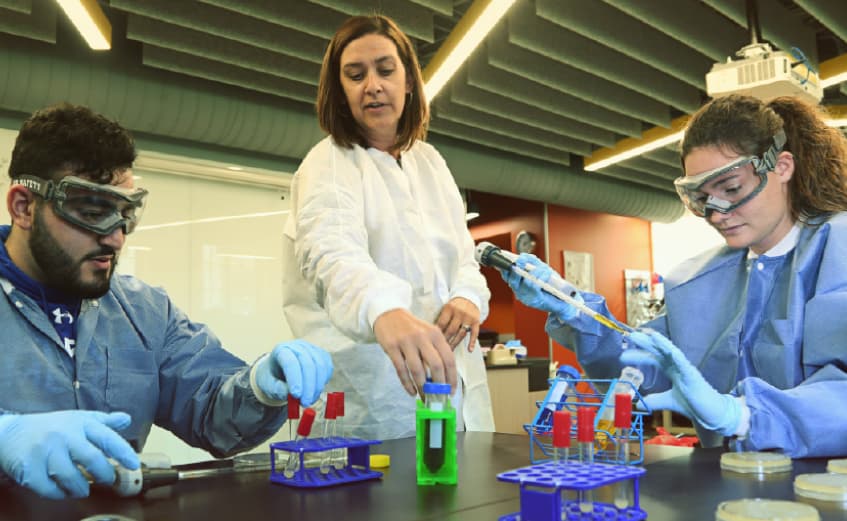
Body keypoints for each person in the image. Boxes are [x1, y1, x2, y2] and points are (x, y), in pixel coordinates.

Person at [0, 103, 334, 499]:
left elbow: (212, 412)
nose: (116, 238)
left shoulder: (144, 312)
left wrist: (261, 388)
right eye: (93, 212)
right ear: (24, 206)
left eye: (124, 216)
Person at [503, 94, 847, 458]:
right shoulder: (701, 280)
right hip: (729, 483)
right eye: (701, 198)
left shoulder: (837, 251)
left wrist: (742, 416)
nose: (716, 213)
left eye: (731, 189)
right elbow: (641, 365)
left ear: (781, 167)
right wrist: (576, 312)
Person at [281, 14, 494, 440]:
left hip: (457, 392)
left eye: (385, 69)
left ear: (409, 82)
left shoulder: (430, 163)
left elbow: (465, 259)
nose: (372, 85)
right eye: (355, 75)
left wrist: (468, 296)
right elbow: (332, 256)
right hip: (375, 404)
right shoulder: (329, 164)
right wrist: (383, 310)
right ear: (341, 92)